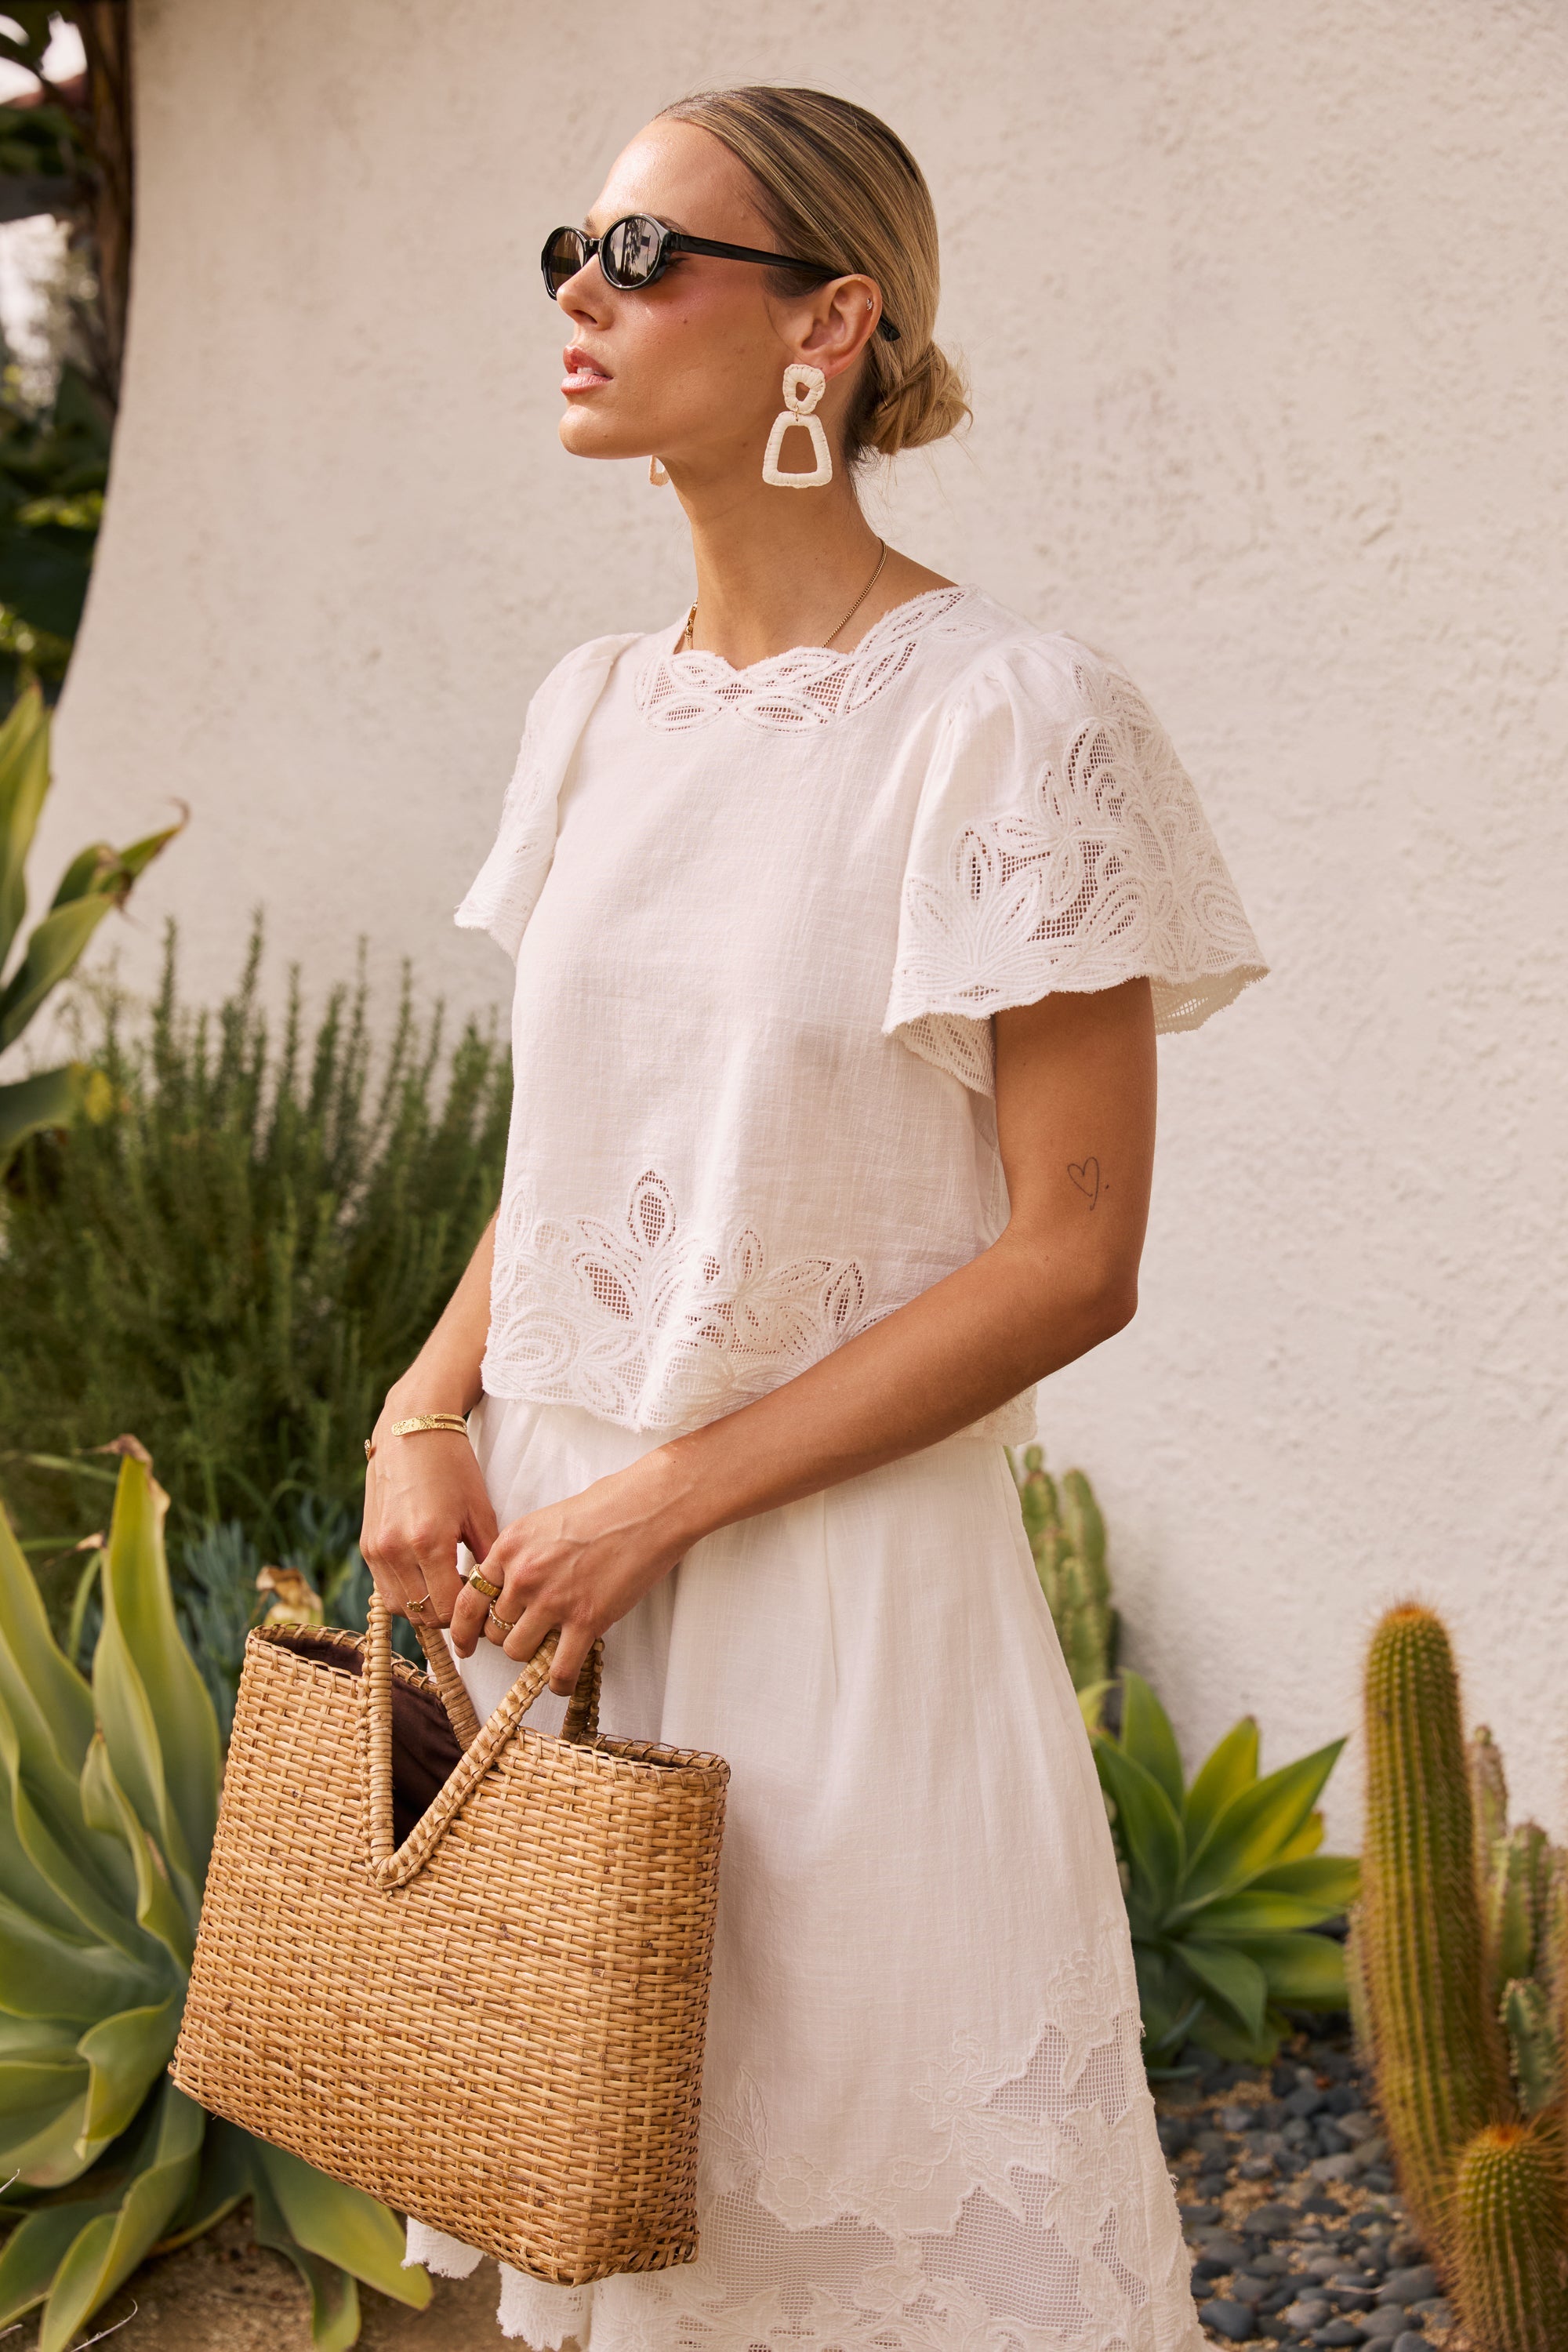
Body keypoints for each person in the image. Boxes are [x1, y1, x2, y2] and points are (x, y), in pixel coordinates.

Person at [361, 83, 1265, 2352]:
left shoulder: (1008, 721)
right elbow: (574, 1139)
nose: (582, 291)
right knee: (607, 2245)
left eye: (648, 254)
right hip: (557, 1590)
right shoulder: (592, 717)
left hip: (836, 1605)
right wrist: (423, 1405)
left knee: (884, 2265)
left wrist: (664, 1499)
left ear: (828, 326)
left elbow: (1074, 1254)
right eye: (568, 245)